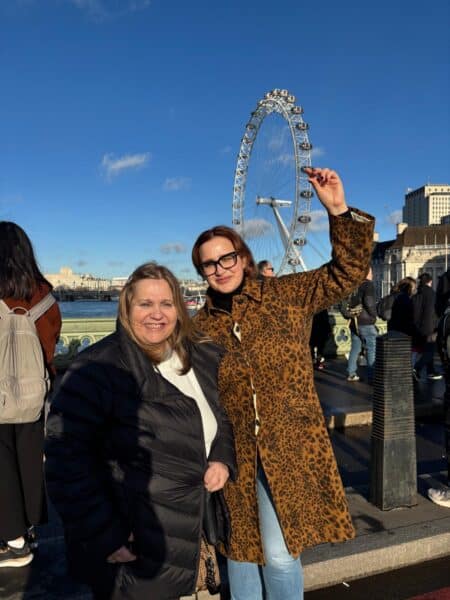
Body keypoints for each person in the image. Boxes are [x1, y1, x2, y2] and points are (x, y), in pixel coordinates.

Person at [191, 167, 374, 600]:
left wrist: (339, 211)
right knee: (239, 552)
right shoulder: (201, 326)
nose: (220, 269)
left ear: (243, 256)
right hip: (231, 452)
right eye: (209, 264)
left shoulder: (285, 295)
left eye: (226, 258)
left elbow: (346, 273)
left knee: (277, 553)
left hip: (288, 446)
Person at [45, 262, 236, 600]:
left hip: (198, 537)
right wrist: (105, 536)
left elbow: (221, 418)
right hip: (137, 547)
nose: (157, 314)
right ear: (126, 307)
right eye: (145, 304)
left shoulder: (200, 355)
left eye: (166, 303)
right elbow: (65, 462)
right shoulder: (96, 368)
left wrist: (221, 459)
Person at [0, 221, 61, 567]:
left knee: (2, 466)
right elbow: (49, 348)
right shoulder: (45, 297)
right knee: (27, 463)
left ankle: (14, 542)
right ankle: (28, 530)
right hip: (33, 395)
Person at [342, 268, 378, 383]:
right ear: (367, 273)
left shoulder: (353, 285)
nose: (373, 274)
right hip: (366, 321)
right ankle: (372, 376)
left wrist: (349, 315)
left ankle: (351, 373)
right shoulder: (368, 285)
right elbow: (369, 302)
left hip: (353, 321)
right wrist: (374, 315)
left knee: (355, 348)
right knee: (371, 349)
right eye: (371, 272)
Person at [412, 273, 442, 381]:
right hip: (429, 327)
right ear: (430, 282)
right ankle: (417, 368)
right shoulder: (432, 294)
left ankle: (431, 371)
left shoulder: (416, 293)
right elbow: (435, 311)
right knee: (429, 351)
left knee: (427, 350)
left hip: (416, 327)